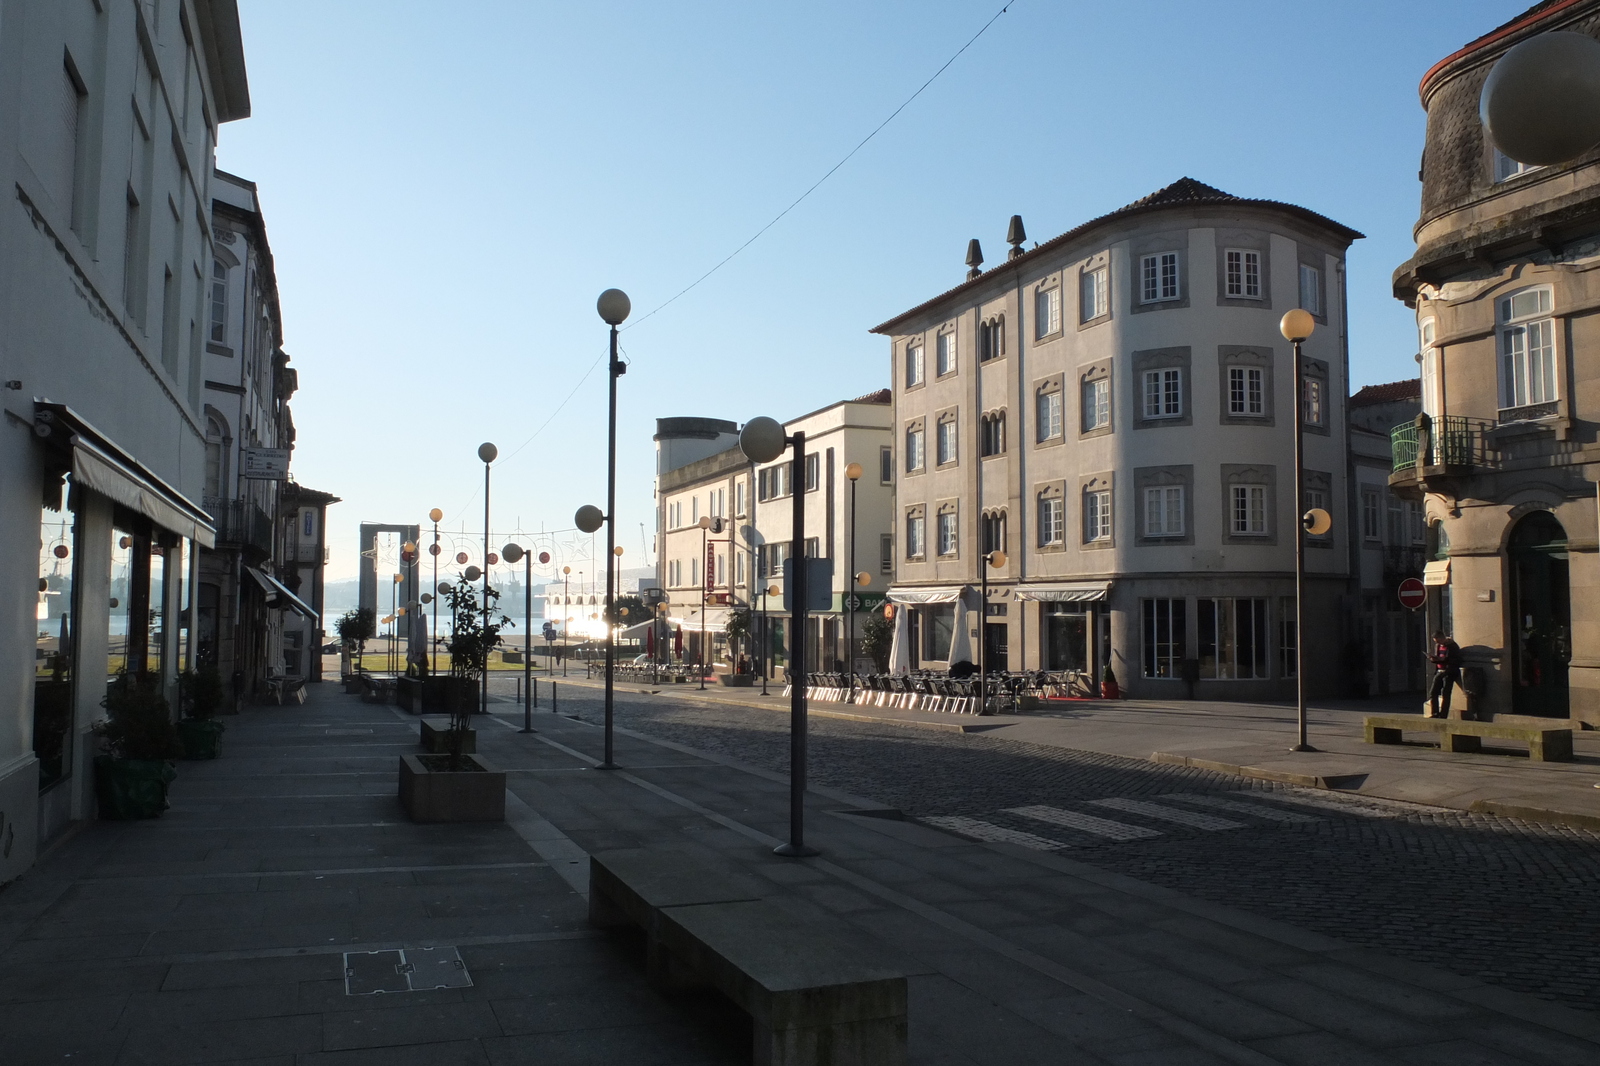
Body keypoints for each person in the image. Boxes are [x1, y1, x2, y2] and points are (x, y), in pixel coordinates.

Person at [1428, 629, 1462, 719]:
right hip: (1440, 670)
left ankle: (1443, 714)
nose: (1439, 643)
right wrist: (1434, 659)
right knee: (1433, 692)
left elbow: (1455, 660)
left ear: (1442, 638)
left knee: (1445, 693)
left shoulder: (1452, 646)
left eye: (1439, 641)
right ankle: (1435, 712)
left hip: (1449, 671)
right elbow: (1439, 657)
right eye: (1436, 642)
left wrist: (1443, 660)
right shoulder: (1438, 646)